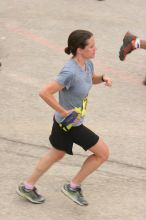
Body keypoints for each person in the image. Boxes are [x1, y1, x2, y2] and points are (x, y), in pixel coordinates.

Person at [16, 29, 112, 206]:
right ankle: (72, 186)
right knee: (102, 153)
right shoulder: (69, 71)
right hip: (69, 124)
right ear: (79, 50)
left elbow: (90, 79)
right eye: (91, 46)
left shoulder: (88, 64)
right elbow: (44, 92)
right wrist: (63, 111)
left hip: (69, 122)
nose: (95, 49)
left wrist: (102, 78)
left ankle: (27, 186)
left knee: (56, 154)